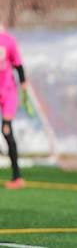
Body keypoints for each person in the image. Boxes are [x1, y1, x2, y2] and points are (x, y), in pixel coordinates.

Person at [0, 20, 28, 189]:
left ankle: (17, 176)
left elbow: (18, 64)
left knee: (6, 130)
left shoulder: (8, 41)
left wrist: (23, 85)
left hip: (8, 92)